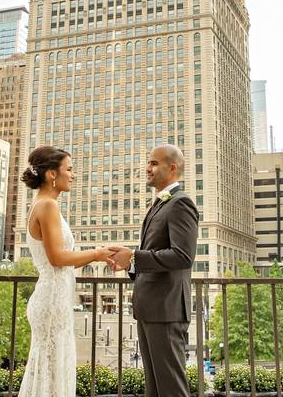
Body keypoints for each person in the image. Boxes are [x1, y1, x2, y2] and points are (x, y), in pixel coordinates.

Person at [17, 146, 116, 397]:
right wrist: (96, 253)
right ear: (52, 174)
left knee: (50, 368)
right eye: (69, 169)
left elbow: (62, 260)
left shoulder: (41, 204)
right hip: (51, 301)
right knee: (52, 370)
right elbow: (58, 258)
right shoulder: (48, 206)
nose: (73, 175)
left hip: (54, 296)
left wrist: (99, 255)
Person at [110, 145, 199, 397]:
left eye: (153, 163)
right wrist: (130, 264)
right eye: (148, 163)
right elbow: (157, 254)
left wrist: (135, 256)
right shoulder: (160, 204)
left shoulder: (181, 203)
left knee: (171, 389)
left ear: (172, 168)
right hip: (150, 308)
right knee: (155, 389)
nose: (147, 168)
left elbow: (183, 256)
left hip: (167, 310)